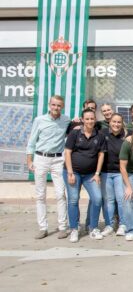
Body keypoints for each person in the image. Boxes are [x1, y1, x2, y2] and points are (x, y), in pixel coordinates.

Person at [26, 95, 71, 239]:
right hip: (41, 159)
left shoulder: (66, 120)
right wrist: (29, 160)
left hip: (58, 160)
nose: (56, 108)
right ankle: (43, 228)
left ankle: (63, 227)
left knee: (60, 194)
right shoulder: (39, 120)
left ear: (62, 107)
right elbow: (32, 142)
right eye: (54, 105)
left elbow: (75, 127)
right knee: (40, 195)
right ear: (49, 105)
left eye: (59, 105)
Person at [63, 108, 107, 243]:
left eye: (92, 118)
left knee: (97, 198)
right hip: (72, 172)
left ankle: (93, 228)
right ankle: (74, 229)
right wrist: (70, 172)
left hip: (90, 175)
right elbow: (67, 152)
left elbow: (101, 155)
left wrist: (97, 173)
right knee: (73, 199)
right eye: (87, 119)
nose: (90, 121)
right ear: (82, 120)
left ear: (95, 119)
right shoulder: (74, 133)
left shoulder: (99, 135)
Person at [100, 113, 127, 237]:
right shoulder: (102, 133)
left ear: (122, 124)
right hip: (105, 172)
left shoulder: (126, 136)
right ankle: (109, 225)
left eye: (119, 122)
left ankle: (123, 224)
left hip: (119, 173)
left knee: (121, 200)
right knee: (109, 200)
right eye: (114, 122)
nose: (116, 124)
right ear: (109, 122)